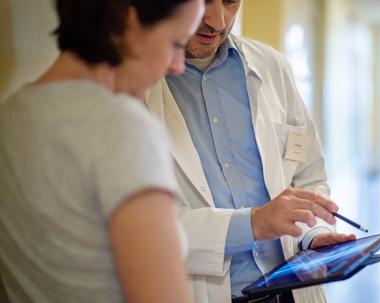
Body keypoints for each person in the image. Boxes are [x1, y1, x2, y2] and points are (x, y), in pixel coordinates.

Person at [145, 0, 355, 302]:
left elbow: (308, 176)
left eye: (230, 1)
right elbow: (137, 227)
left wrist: (312, 234)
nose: (217, 21)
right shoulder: (133, 84)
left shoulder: (272, 66)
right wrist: (253, 224)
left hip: (291, 291)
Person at [0, 0, 203, 302]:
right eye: (176, 43)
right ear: (127, 22)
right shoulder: (123, 126)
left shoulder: (10, 116)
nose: (177, 66)